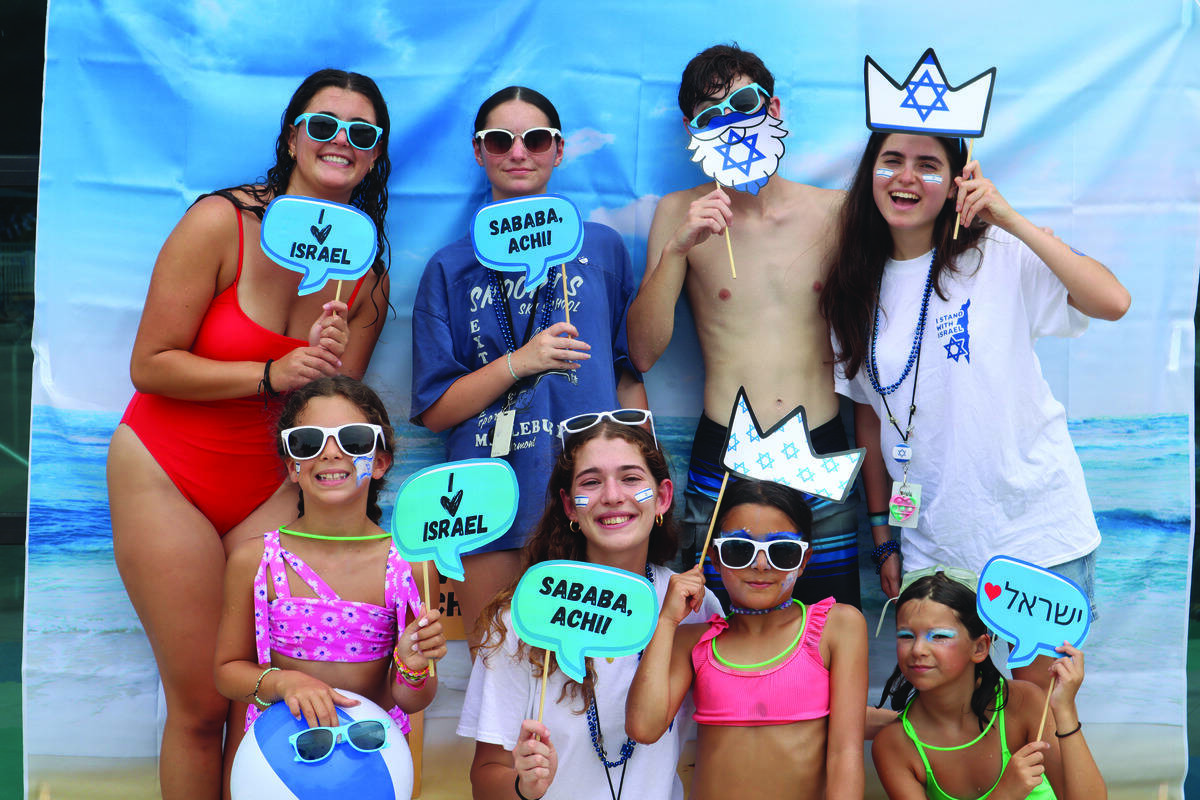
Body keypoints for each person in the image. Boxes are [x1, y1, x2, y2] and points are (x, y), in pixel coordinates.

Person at [107, 68, 393, 799]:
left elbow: (332, 417)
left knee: (256, 696)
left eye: (361, 134)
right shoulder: (220, 222)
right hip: (169, 469)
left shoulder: (366, 281)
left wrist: (326, 375)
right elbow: (151, 364)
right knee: (203, 704)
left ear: (375, 154)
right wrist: (270, 373)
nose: (340, 142)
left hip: (273, 485)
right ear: (293, 135)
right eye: (324, 125)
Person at [820, 130, 1129, 691]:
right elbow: (868, 414)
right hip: (934, 546)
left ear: (958, 181)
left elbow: (1113, 301)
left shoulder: (1001, 254)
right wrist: (882, 532)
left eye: (928, 165)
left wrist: (1008, 217)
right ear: (870, 176)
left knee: (1041, 716)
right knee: (951, 723)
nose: (907, 177)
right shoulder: (852, 284)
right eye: (892, 161)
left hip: (1038, 534)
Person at [411, 86, 645, 648]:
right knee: (498, 666)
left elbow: (630, 372)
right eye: (500, 141)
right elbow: (436, 411)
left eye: (535, 139)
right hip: (485, 499)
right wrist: (521, 362)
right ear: (478, 152)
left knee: (599, 674)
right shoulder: (448, 267)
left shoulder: (604, 248)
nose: (519, 153)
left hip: (593, 496)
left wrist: (645, 480)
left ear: (558, 150)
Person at [628, 44, 860, 608]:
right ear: (692, 130)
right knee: (712, 626)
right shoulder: (677, 213)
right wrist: (680, 250)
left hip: (821, 443)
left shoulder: (835, 211)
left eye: (746, 102)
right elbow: (641, 351)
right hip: (725, 452)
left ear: (773, 107)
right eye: (713, 114)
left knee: (832, 625)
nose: (732, 122)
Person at [457, 414, 721, 800]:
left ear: (663, 497)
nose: (612, 496)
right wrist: (522, 784)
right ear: (569, 505)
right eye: (591, 482)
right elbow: (485, 778)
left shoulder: (696, 607)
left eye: (631, 478)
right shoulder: (521, 616)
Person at [215, 377, 445, 758]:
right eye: (309, 441)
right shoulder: (256, 560)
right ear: (293, 466)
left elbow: (411, 699)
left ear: (381, 462)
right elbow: (227, 672)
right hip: (280, 759)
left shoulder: (410, 566)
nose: (331, 452)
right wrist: (286, 684)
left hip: (372, 759)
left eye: (354, 439)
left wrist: (412, 666)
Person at [626, 479, 867, 800]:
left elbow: (845, 754)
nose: (761, 564)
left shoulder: (837, 628)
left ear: (804, 560)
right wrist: (667, 620)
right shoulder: (692, 643)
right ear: (714, 558)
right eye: (740, 550)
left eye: (782, 551)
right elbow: (643, 727)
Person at [872, 571, 1105, 800]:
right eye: (906, 636)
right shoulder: (894, 744)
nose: (918, 649)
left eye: (939, 636)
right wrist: (1004, 794)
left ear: (979, 648)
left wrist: (1065, 710)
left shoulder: (1023, 703)